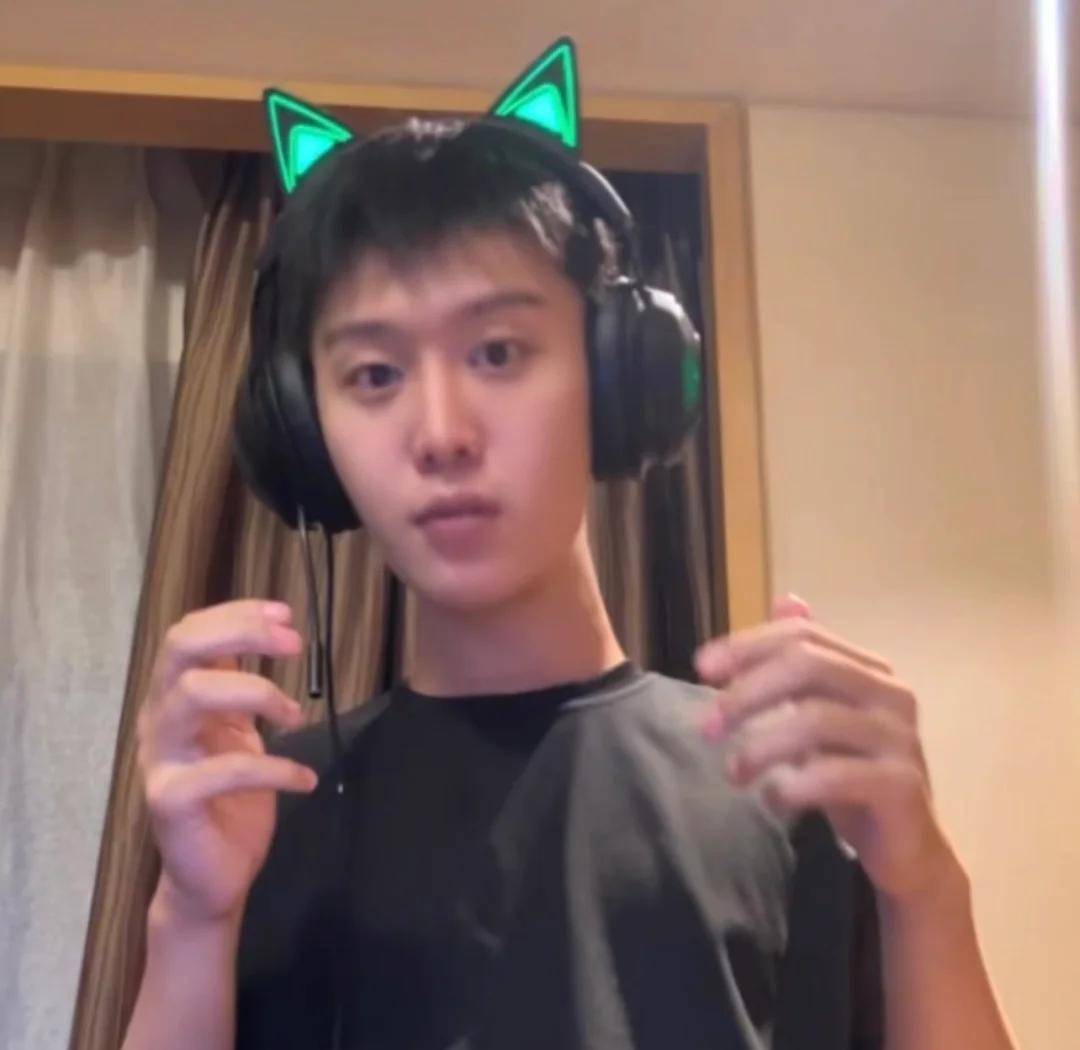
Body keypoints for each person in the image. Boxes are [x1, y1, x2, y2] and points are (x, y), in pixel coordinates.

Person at [119, 73, 1019, 1050]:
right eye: (374, 374)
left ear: (620, 374)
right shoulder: (257, 813)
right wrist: (190, 920)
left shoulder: (780, 791)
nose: (442, 433)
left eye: (499, 353)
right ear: (304, 430)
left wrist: (926, 888)